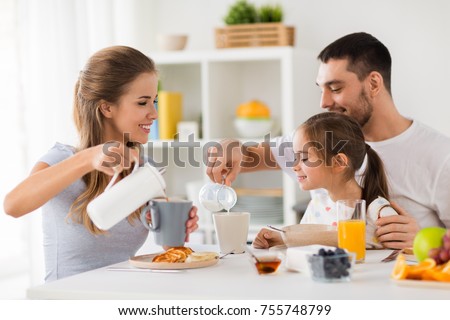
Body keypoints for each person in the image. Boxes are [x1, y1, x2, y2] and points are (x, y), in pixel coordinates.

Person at [207, 32, 450, 249]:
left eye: (335, 88)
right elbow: (249, 157)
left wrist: (427, 238)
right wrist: (231, 147)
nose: (323, 103)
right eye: (321, 89)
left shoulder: (439, 154)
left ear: (374, 83)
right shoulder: (316, 141)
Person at [3, 46, 199, 281]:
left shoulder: (144, 169)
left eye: (154, 101)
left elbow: (169, 246)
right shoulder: (63, 159)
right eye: (142, 103)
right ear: (107, 107)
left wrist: (179, 228)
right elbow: (13, 206)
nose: (154, 113)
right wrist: (87, 159)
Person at [252, 112, 390, 248]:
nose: (294, 167)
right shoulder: (316, 206)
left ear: (338, 162)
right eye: (295, 157)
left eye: (304, 158)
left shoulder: (376, 210)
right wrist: (278, 240)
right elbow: (304, 246)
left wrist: (285, 238)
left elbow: (398, 255)